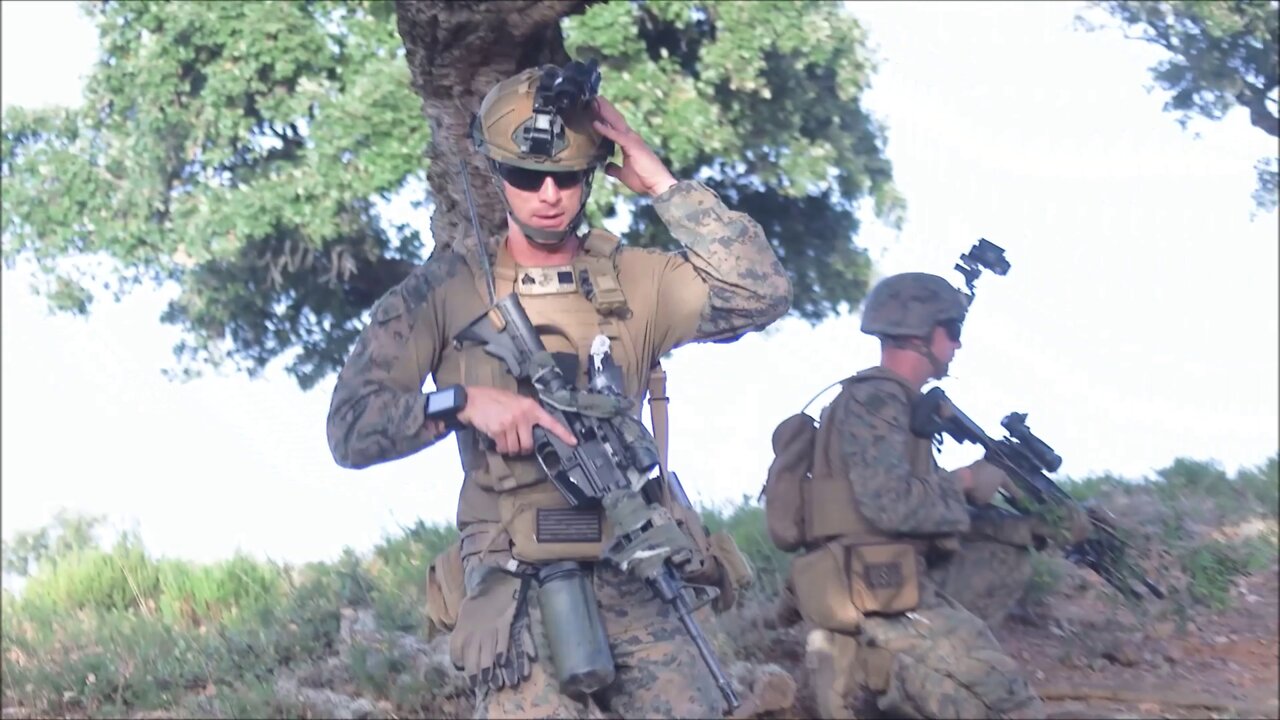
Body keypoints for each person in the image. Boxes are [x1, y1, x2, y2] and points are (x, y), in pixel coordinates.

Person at [326, 61, 790, 719]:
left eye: (568, 176)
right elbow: (350, 428)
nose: (548, 193)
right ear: (495, 172)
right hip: (511, 580)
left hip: (636, 563)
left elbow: (761, 292)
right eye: (526, 175)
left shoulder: (636, 279)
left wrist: (659, 181)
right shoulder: (444, 291)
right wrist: (460, 404)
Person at [769, 272, 1088, 719]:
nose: (957, 345)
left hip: (891, 577)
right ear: (924, 335)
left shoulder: (898, 405)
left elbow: (924, 511)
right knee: (1006, 702)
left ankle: (897, 678)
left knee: (1004, 553)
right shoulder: (876, 401)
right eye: (953, 332)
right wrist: (962, 482)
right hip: (873, 587)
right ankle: (875, 667)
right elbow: (889, 504)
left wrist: (1032, 527)